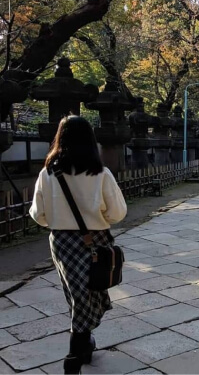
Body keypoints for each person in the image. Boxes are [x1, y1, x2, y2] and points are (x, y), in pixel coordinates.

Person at [29, 116, 127, 374]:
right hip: (94, 239)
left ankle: (81, 343)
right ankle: (76, 349)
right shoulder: (101, 174)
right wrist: (97, 219)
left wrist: (59, 219)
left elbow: (37, 214)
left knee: (76, 292)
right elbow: (117, 213)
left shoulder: (48, 173)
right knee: (92, 290)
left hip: (62, 242)